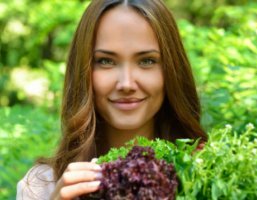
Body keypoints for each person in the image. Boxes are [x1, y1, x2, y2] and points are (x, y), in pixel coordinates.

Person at [16, 0, 207, 199]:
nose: (126, 84)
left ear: (172, 71)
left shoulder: (208, 173)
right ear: (83, 71)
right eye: (106, 61)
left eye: (147, 61)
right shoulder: (42, 187)